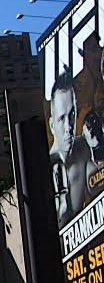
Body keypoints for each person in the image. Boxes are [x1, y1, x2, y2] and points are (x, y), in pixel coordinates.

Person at [49, 70, 90, 227]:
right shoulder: (48, 167)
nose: (68, 127)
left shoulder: (84, 148)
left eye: (72, 115)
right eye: (61, 118)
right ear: (52, 125)